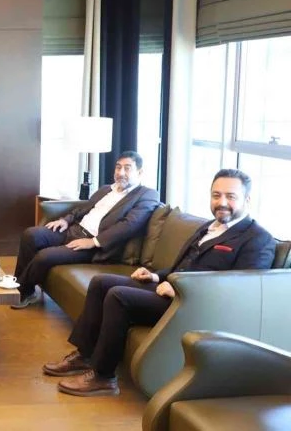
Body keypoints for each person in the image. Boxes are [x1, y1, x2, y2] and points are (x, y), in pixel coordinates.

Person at [44, 169, 276, 397]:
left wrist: (182, 289)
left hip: (195, 305)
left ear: (247, 199)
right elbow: (182, 267)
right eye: (216, 195)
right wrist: (156, 276)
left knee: (118, 296)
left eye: (230, 196)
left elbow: (242, 291)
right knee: (101, 283)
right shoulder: (209, 227)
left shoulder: (258, 239)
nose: (222, 202)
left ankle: (103, 377)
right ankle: (85, 355)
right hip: (173, 290)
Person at [12, 151, 160, 309]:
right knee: (31, 235)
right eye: (118, 167)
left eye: (127, 168)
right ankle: (15, 285)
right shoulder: (106, 189)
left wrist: (93, 242)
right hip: (75, 230)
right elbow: (83, 208)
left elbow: (129, 225)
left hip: (94, 247)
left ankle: (22, 292)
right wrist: (65, 220)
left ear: (139, 172)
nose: (120, 172)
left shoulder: (147, 195)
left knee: (44, 256)